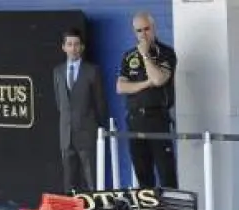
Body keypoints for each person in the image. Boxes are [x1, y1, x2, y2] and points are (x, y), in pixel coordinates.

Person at [116, 11, 178, 189]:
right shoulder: (128, 56)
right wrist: (145, 84)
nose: (143, 34)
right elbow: (120, 87)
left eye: (146, 29)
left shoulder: (165, 52)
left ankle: (171, 208)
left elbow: (158, 79)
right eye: (139, 31)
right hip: (135, 120)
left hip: (158, 118)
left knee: (166, 174)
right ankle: (148, 207)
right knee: (143, 174)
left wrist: (145, 55)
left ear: (154, 28)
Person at [54, 28, 107, 192]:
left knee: (91, 179)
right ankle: (71, 208)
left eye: (76, 44)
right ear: (63, 47)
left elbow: (100, 103)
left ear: (82, 47)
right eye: (69, 44)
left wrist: (99, 129)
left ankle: (93, 208)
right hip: (66, 135)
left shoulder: (92, 71)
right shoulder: (57, 71)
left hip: (87, 133)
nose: (73, 48)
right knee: (69, 181)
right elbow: (59, 103)